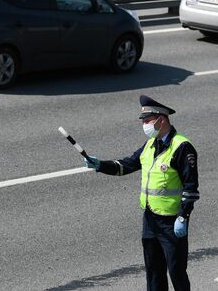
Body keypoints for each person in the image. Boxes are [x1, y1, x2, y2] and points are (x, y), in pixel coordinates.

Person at [85, 95, 199, 291]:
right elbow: (125, 165)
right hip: (150, 220)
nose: (144, 125)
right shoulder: (150, 145)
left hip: (172, 222)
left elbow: (191, 188)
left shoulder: (182, 147)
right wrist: (100, 165)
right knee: (154, 272)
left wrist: (183, 216)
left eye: (147, 121)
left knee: (176, 272)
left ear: (161, 119)